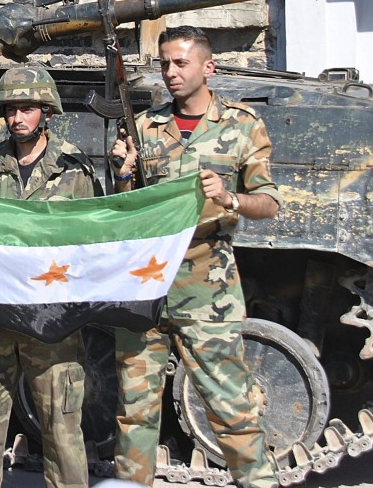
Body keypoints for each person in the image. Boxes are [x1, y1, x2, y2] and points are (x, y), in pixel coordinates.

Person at [109, 26, 282, 488]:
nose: (170, 73)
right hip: (146, 285)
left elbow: (269, 202)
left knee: (231, 406)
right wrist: (123, 175)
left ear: (208, 67)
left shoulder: (242, 125)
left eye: (181, 63)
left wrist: (230, 198)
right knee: (134, 413)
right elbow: (125, 210)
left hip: (209, 287)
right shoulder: (143, 126)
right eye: (165, 63)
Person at [0, 67, 96, 488]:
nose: (17, 118)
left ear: (46, 112)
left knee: (62, 432)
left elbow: (93, 241)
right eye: (11, 109)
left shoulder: (74, 169)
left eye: (27, 108)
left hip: (54, 323)